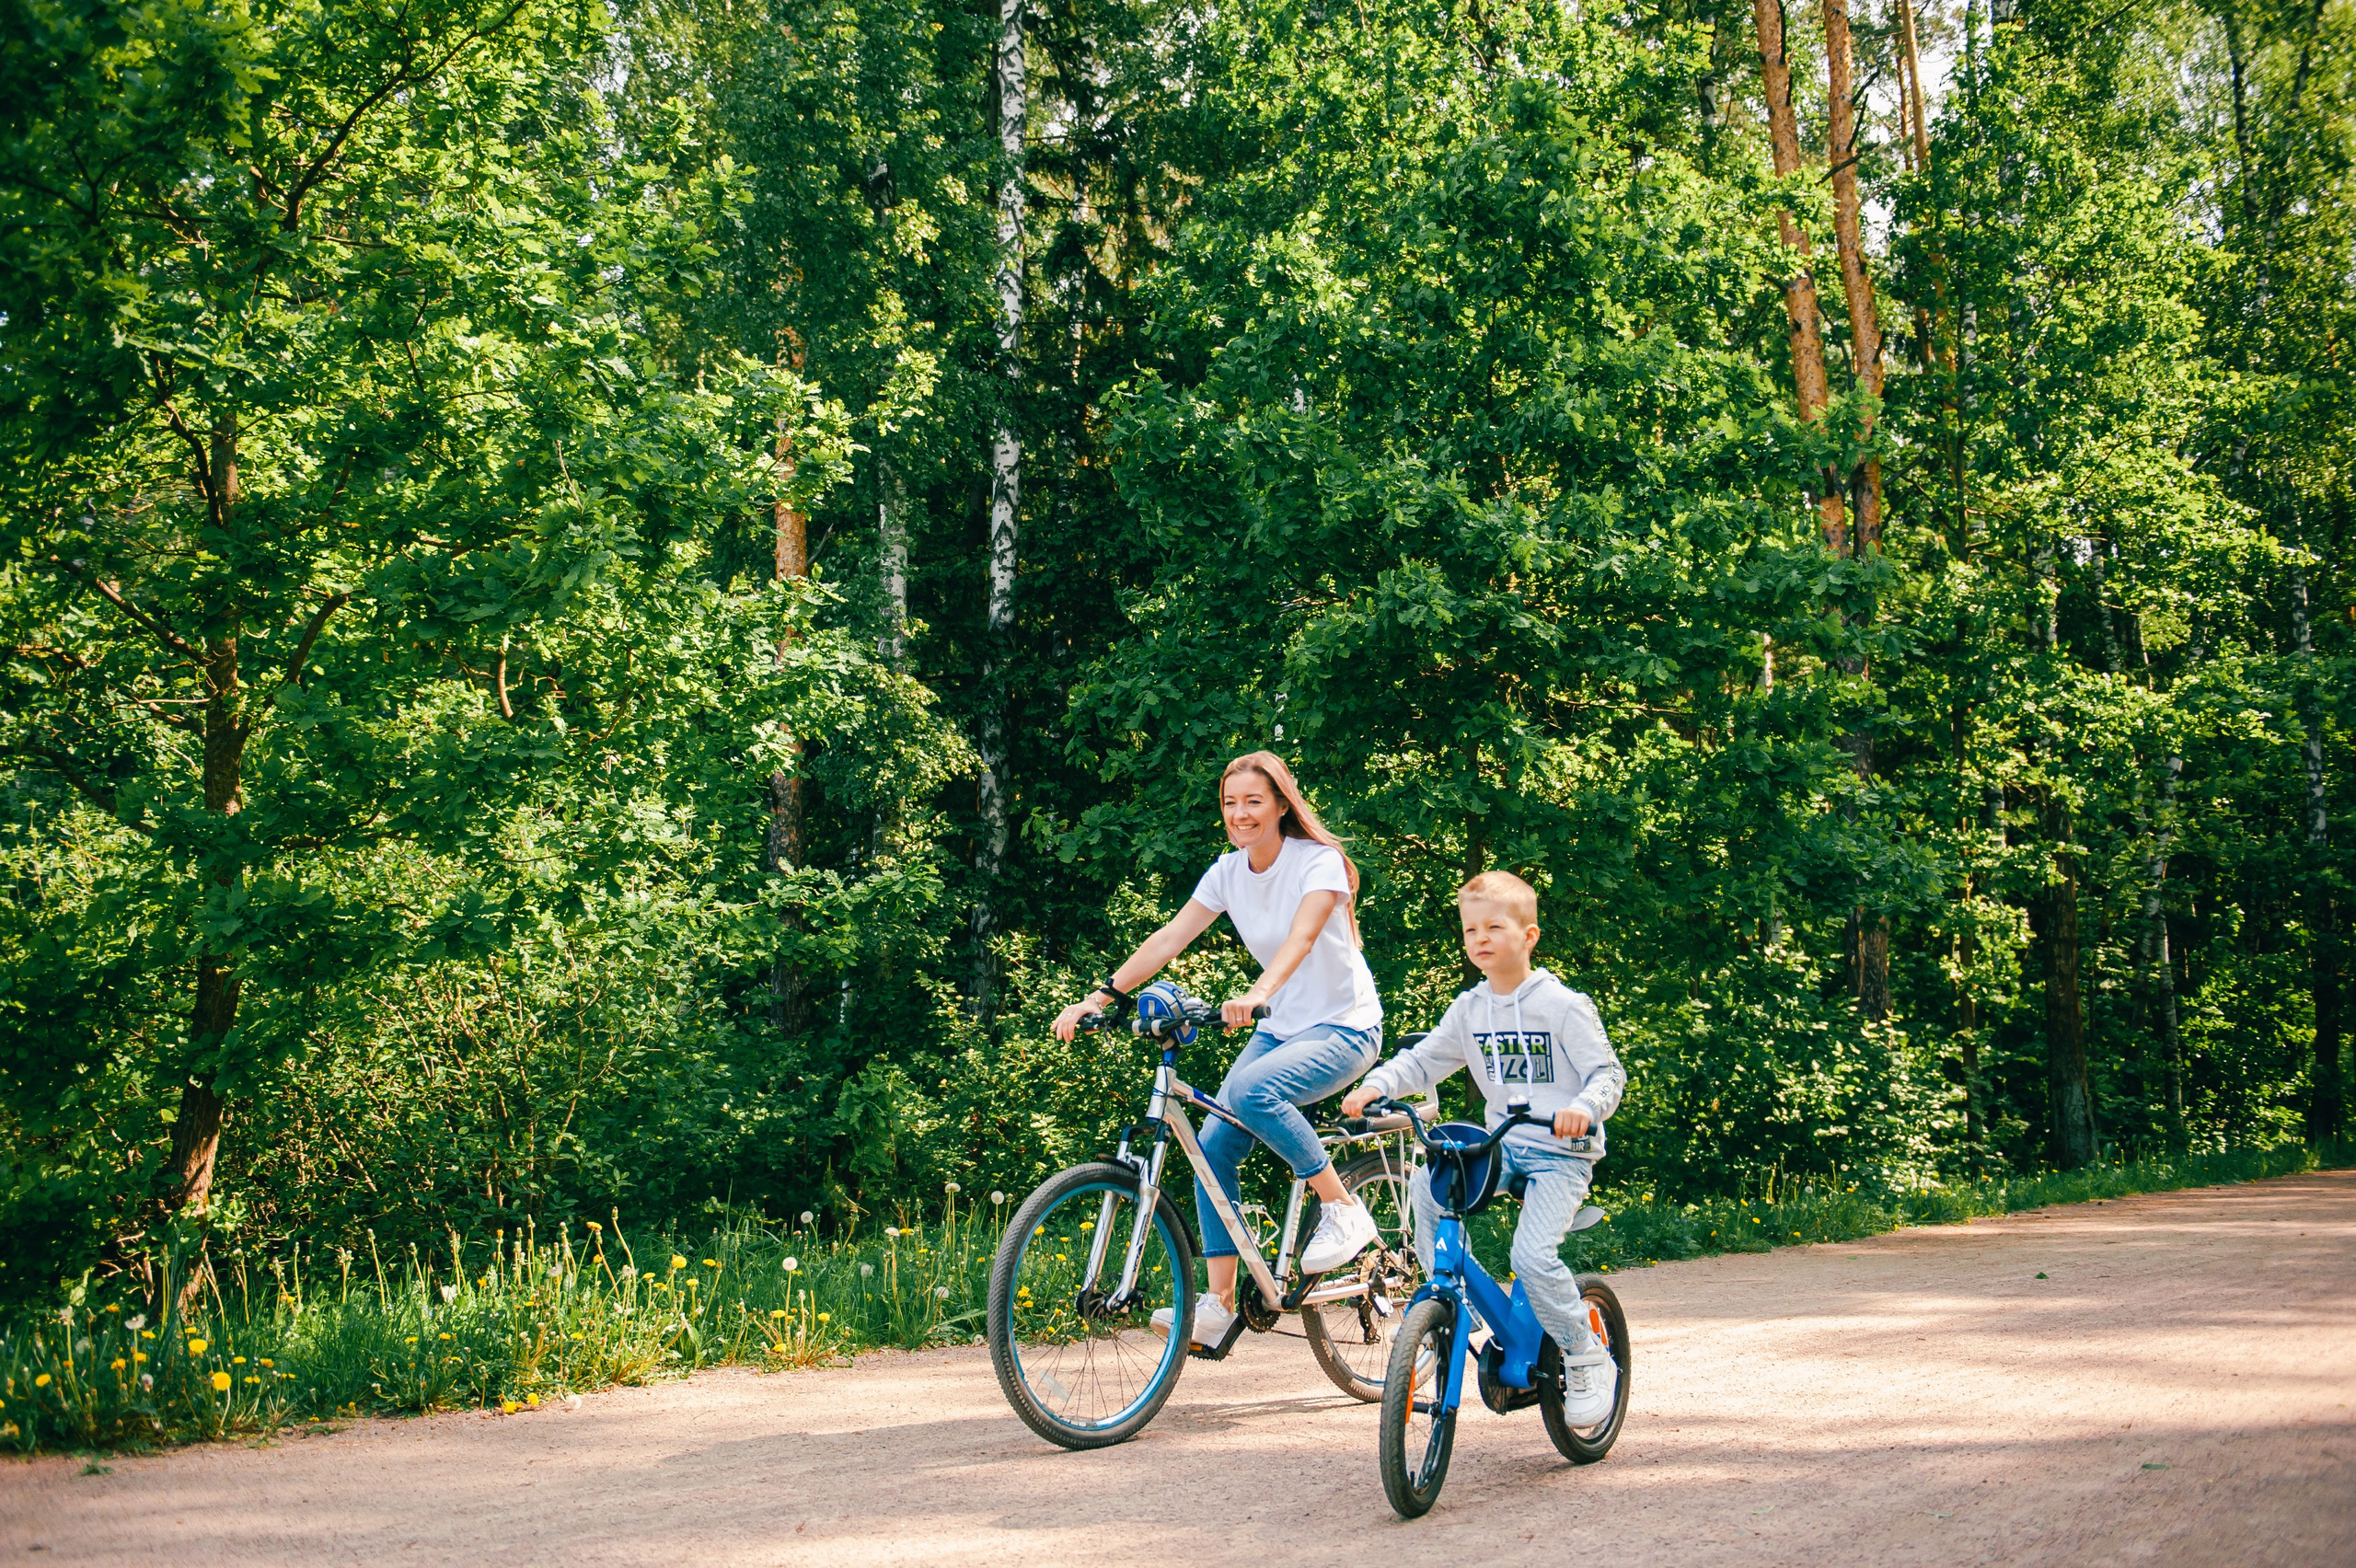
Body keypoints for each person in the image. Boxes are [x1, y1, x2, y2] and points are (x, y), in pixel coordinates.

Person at [1052, 751, 1385, 1347]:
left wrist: (1257, 993)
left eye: (1253, 801)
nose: (1240, 813)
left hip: (1345, 1028)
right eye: (1231, 803)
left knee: (1254, 1091)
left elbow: (1303, 936)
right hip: (1281, 1028)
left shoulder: (1319, 863)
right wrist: (1099, 998)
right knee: (1211, 1147)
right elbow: (1170, 938)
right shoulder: (1228, 872)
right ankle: (1219, 1304)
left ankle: (1343, 1210)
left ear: (1281, 805)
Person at [1341, 869, 1627, 1424]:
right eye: (1471, 930)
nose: (1481, 939)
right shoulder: (1471, 1009)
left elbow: (1607, 1074)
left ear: (1529, 936)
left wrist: (1585, 1108)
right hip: (1503, 1147)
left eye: (1494, 927)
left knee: (1531, 1257)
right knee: (1427, 1185)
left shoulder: (1563, 1005)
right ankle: (1452, 1307)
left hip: (1561, 1153)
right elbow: (1425, 1059)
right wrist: (1378, 1085)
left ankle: (1585, 1354)